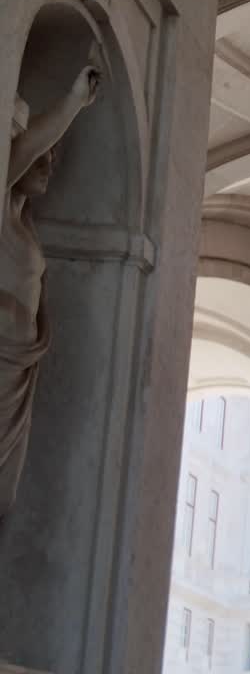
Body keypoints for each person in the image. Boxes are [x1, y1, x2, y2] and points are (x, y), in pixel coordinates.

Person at [0, 62, 99, 519]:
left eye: (53, 156)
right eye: (41, 153)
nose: (49, 162)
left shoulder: (27, 230)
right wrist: (73, 101)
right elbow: (25, 148)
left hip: (20, 371)